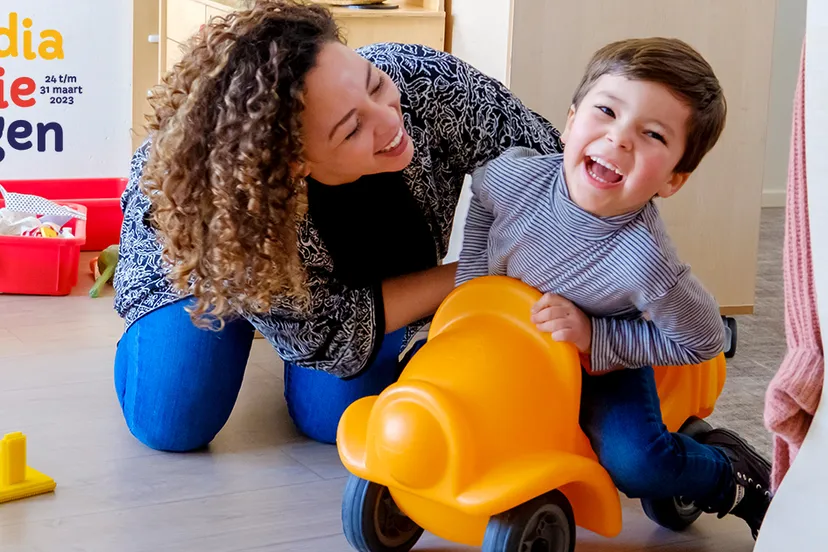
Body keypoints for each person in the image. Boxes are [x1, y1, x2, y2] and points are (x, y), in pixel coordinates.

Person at [112, 0, 562, 450]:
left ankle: (278, 322)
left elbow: (556, 169)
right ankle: (229, 316)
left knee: (336, 421)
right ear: (294, 163)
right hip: (200, 243)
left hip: (335, 285)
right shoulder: (245, 214)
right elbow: (330, 335)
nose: (390, 120)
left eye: (374, 84)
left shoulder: (429, 81)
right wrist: (479, 270)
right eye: (351, 130)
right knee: (174, 421)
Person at [455, 37, 772, 539]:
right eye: (606, 111)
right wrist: (471, 292)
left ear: (673, 179)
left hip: (599, 360)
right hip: (509, 339)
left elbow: (704, 339)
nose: (619, 139)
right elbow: (483, 210)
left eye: (652, 134)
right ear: (571, 119)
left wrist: (594, 335)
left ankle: (732, 474)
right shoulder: (510, 176)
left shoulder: (646, 261)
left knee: (636, 462)